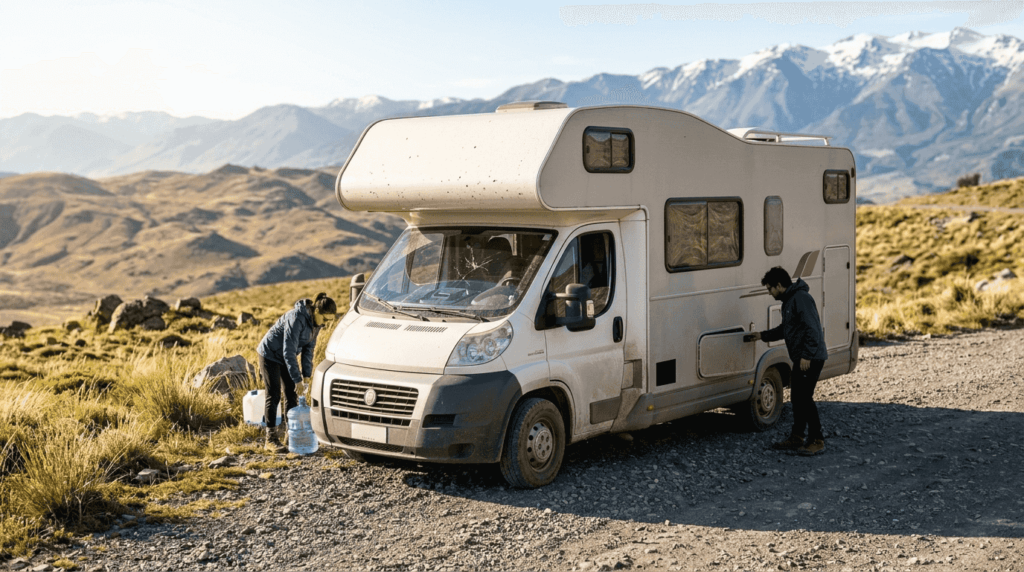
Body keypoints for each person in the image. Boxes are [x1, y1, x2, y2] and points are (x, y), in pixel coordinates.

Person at [747, 267, 829, 456]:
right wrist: (761, 335)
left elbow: (813, 329)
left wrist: (807, 356)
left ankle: (817, 440)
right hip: (802, 357)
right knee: (797, 398)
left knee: (804, 398)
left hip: (811, 358)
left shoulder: (801, 298)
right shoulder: (789, 300)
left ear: (779, 285)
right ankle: (797, 437)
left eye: (770, 288)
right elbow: (785, 329)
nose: (769, 293)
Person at [257, 292, 337, 453]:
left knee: (291, 393)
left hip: (285, 357)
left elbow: (309, 350)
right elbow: (289, 351)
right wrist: (297, 379)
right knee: (274, 394)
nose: (325, 324)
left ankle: (291, 435)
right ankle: (270, 439)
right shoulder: (296, 318)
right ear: (316, 311)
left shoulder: (316, 324)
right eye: (325, 319)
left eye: (329, 321)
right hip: (270, 354)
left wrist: (306, 376)